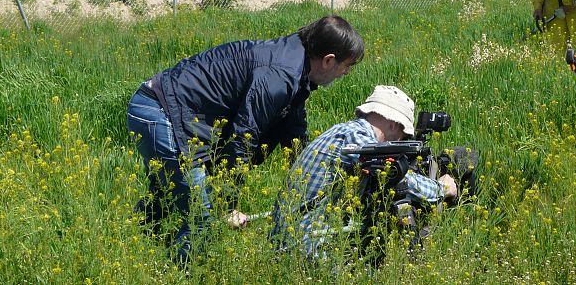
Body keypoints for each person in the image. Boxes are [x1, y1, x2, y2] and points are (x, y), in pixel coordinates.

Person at [126, 15, 364, 263]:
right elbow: (244, 135)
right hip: (161, 112)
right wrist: (227, 204)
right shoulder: (281, 74)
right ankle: (176, 274)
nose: (346, 72)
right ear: (328, 60)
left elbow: (294, 129)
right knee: (203, 216)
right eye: (347, 65)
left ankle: (134, 255)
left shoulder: (294, 65)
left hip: (158, 106)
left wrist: (312, 181)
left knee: (164, 200)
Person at [270, 85, 460, 258]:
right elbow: (399, 178)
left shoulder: (343, 131)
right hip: (305, 246)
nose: (400, 141)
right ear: (393, 124)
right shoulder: (358, 139)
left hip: (289, 238)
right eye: (402, 136)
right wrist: (442, 188)